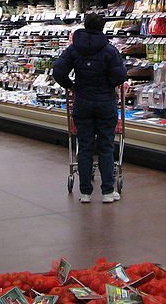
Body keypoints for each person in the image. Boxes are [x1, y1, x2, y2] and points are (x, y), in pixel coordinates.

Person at [52, 12, 127, 204]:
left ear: (85, 25)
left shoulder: (74, 49)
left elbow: (58, 70)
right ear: (102, 28)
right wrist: (108, 84)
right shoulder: (109, 50)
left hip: (82, 101)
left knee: (84, 146)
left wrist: (70, 85)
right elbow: (120, 76)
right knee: (106, 146)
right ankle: (108, 192)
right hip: (105, 103)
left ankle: (85, 193)